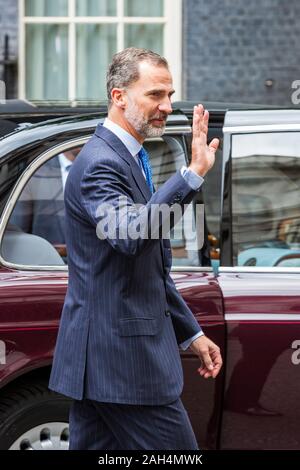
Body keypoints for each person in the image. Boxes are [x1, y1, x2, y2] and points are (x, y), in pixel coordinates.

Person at [49, 47, 222, 450]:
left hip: (107, 362)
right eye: (155, 95)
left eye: (170, 95)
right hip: (124, 366)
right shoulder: (100, 164)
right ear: (119, 96)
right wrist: (192, 175)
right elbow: (132, 236)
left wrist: (190, 332)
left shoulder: (129, 159)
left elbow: (149, 268)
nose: (166, 106)